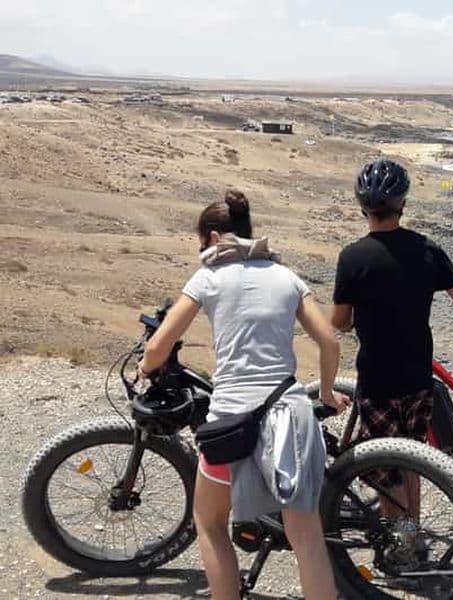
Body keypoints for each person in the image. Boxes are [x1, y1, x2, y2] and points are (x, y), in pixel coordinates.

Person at [138, 190, 348, 600]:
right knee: (306, 536)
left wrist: (147, 367)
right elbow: (330, 344)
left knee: (210, 521)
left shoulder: (208, 277)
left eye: (202, 243)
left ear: (215, 238)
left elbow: (157, 348)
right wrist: (324, 392)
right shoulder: (286, 276)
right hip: (290, 416)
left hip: (232, 425)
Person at [331, 159, 453, 523]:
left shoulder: (352, 258)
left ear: (362, 208)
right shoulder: (426, 249)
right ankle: (411, 528)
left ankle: (402, 542)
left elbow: (339, 322)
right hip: (417, 377)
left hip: (378, 379)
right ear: (403, 205)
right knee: (413, 458)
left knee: (386, 467)